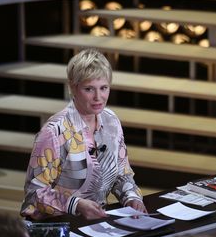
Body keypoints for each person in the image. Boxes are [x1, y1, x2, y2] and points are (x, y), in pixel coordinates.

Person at [21, 48, 147, 220]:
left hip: (97, 222)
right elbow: (34, 193)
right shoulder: (54, 132)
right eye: (89, 89)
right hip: (56, 225)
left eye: (103, 88)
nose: (98, 97)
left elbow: (121, 173)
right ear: (73, 87)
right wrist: (76, 204)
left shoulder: (111, 121)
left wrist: (131, 197)